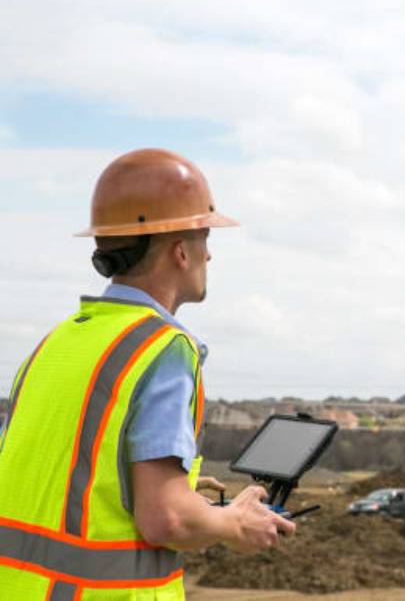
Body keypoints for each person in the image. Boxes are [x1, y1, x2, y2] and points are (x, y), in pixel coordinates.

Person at [0, 148, 294, 599]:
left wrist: (174, 488)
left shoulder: (58, 342)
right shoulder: (164, 350)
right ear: (180, 251)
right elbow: (167, 519)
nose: (209, 256)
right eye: (204, 238)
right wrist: (234, 521)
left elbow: (60, 475)